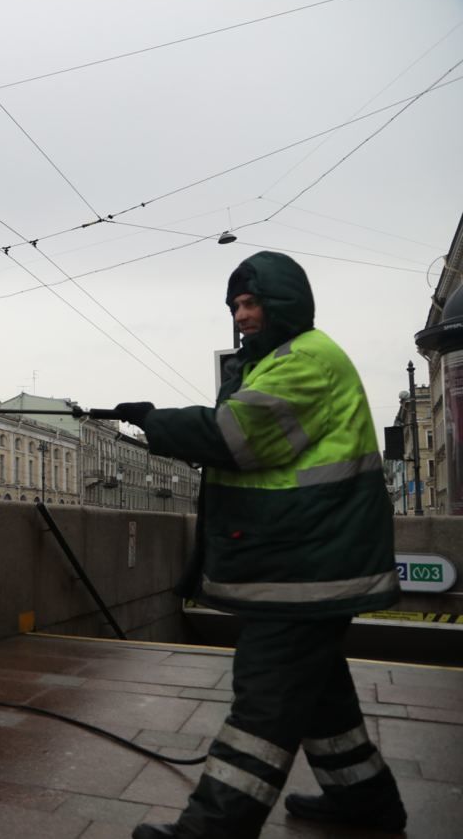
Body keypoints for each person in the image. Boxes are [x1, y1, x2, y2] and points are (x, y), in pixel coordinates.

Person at [113, 252, 405, 839]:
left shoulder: (305, 362)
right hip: (307, 556)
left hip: (306, 560)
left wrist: (155, 420)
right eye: (236, 307)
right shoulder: (281, 360)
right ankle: (365, 799)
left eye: (252, 303)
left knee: (264, 703)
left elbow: (238, 438)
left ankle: (212, 829)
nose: (243, 316)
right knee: (320, 695)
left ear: (283, 303)